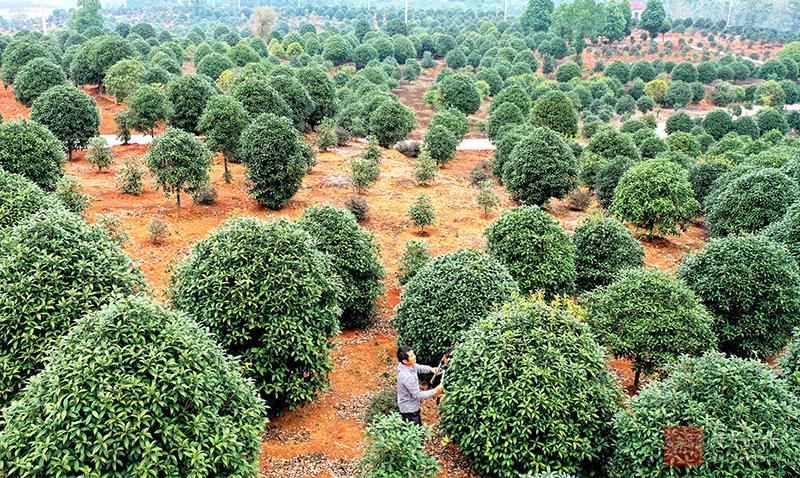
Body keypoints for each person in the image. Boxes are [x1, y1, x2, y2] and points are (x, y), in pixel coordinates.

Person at [396, 345, 443, 426]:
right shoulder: (408, 377)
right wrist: (435, 391)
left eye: (413, 354)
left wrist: (430, 369)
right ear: (405, 361)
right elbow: (418, 395)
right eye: (411, 356)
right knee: (416, 434)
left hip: (407, 405)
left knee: (408, 428)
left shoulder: (404, 365)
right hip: (410, 410)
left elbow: (417, 367)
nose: (414, 356)